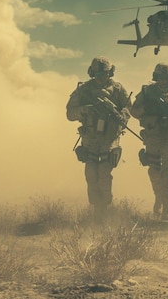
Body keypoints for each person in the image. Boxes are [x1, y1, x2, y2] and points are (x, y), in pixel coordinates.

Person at [66, 56, 132, 222]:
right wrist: (85, 110)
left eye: (104, 73)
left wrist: (120, 116)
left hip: (110, 137)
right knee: (91, 174)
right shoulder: (84, 90)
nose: (101, 77)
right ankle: (97, 209)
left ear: (110, 73)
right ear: (92, 73)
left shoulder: (117, 89)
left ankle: (103, 208)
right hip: (90, 138)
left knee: (104, 172)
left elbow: (129, 108)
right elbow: (70, 113)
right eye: (98, 73)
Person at [130, 63, 168, 221]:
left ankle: (167, 209)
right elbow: (134, 111)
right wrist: (149, 108)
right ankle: (159, 197)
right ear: (156, 78)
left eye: (167, 78)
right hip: (153, 138)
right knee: (154, 171)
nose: (164, 81)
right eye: (161, 78)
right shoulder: (147, 92)